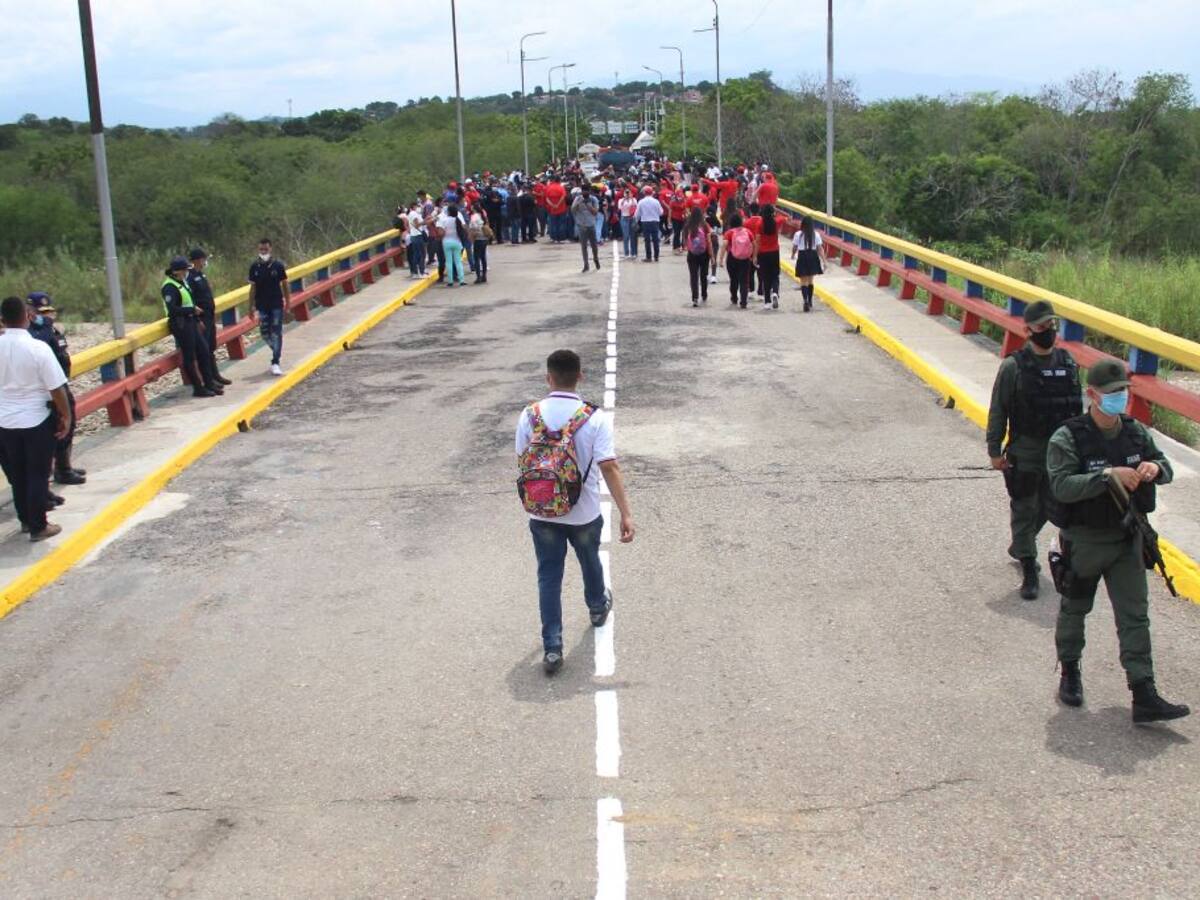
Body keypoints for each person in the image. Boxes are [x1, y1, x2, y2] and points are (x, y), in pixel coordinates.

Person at [1046, 359, 1188, 723]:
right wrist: (1108, 477)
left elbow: (1164, 465)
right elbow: (1061, 486)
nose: (1119, 398)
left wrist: (1155, 468)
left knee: (1134, 616)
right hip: (1086, 540)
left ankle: (1143, 691)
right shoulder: (1068, 437)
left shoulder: (1135, 432)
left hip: (1127, 538)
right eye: (1111, 393)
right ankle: (1070, 671)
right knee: (1075, 608)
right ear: (1092, 395)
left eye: (1123, 391)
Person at [515, 349, 635, 674]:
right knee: (589, 558)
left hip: (542, 513)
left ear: (548, 378)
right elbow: (609, 467)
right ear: (580, 375)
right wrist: (625, 513)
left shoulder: (529, 416)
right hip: (583, 512)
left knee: (548, 576)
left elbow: (523, 461)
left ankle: (553, 647)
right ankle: (597, 606)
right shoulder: (593, 418)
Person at [986, 301, 1083, 599]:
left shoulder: (1068, 363)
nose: (1048, 331)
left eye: (1052, 325)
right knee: (1024, 506)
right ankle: (1029, 565)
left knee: (1053, 505)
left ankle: (1020, 544)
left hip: (1061, 452)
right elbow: (999, 409)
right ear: (1027, 330)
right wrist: (994, 450)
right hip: (1026, 449)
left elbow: (1077, 410)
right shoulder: (1013, 367)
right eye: (1042, 326)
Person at [0, 296, 72, 541]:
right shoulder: (37, 348)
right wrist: (66, 416)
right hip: (36, 419)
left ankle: (25, 521)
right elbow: (57, 388)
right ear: (27, 317)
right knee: (38, 473)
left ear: (3, 319)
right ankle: (39, 526)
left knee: (18, 474)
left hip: (5, 422)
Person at [25, 293, 85, 485]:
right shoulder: (32, 332)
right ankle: (60, 471)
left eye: (49, 311)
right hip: (46, 388)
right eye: (41, 312)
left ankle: (64, 466)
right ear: (29, 311)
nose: (47, 315)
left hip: (60, 382)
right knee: (56, 428)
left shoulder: (49, 328)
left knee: (69, 423)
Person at [163, 256, 221, 397]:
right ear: (176, 271)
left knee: (204, 350)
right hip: (181, 324)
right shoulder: (169, 287)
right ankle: (198, 388)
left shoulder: (182, 282)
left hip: (191, 321)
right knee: (189, 356)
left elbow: (189, 301)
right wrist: (192, 310)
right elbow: (172, 309)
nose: (186, 272)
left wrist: (196, 318)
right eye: (184, 270)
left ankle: (209, 383)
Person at [186, 248, 232, 388]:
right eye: (203, 259)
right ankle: (208, 379)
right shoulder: (190, 277)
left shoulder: (201, 274)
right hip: (201, 317)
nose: (204, 261)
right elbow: (191, 299)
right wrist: (198, 319)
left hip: (209, 315)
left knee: (211, 346)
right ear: (196, 260)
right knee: (204, 349)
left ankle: (215, 375)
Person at [248, 238, 291, 376]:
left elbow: (285, 285)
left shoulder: (278, 266)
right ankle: (277, 349)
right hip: (261, 305)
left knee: (276, 332)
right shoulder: (254, 267)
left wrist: (288, 303)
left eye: (265, 249)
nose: (263, 252)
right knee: (264, 333)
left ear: (270, 249)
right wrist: (250, 306)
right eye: (261, 249)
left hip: (276, 304)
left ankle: (275, 361)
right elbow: (252, 288)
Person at [745, 203, 788, 309]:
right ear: (773, 213)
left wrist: (755, 256)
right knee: (775, 275)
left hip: (763, 253)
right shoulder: (776, 222)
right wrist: (777, 210)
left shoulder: (760, 224)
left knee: (765, 277)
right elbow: (788, 217)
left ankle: (767, 301)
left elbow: (757, 242)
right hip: (775, 252)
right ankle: (775, 292)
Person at [719, 212, 754, 308]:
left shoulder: (729, 233)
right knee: (744, 281)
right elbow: (754, 243)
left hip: (732, 258)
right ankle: (743, 301)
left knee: (733, 279)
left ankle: (734, 297)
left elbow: (724, 245)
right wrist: (753, 255)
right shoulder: (747, 232)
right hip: (745, 259)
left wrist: (721, 259)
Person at [790, 215, 824, 312]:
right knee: (810, 280)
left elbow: (795, 247)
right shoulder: (816, 234)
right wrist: (824, 261)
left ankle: (805, 300)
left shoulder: (798, 234)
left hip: (802, 256)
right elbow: (819, 248)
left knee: (803, 281)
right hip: (813, 256)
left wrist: (793, 254)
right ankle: (810, 300)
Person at [681, 207, 712, 307]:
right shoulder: (704, 225)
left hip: (692, 254)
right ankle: (704, 294)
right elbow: (709, 240)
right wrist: (712, 256)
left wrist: (690, 247)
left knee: (693, 276)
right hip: (704, 254)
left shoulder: (687, 226)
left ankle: (695, 298)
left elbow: (685, 241)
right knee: (704, 275)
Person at [438, 203, 468, 288]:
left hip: (446, 242)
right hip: (457, 241)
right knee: (458, 261)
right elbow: (463, 228)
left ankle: (450, 281)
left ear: (448, 211)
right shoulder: (458, 220)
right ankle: (461, 280)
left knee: (449, 262)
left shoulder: (444, 220)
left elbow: (440, 232)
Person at [572, 186, 601, 273]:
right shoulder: (578, 198)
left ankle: (596, 258)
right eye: (583, 191)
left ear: (589, 191)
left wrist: (588, 205)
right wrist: (578, 203)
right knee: (583, 246)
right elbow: (572, 210)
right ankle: (586, 264)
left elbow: (595, 212)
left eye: (586, 191)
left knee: (594, 245)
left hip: (591, 224)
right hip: (582, 225)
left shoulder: (593, 199)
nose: (585, 193)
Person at [635, 186, 664, 262]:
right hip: (655, 222)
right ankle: (656, 257)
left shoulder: (641, 202)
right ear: (652, 193)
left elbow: (637, 214)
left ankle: (649, 257)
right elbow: (661, 212)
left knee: (647, 240)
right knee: (655, 240)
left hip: (645, 222)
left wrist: (636, 222)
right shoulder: (656, 201)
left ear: (644, 193)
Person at [468, 203, 490, 284]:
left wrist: (472, 234)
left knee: (476, 258)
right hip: (484, 238)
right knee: (483, 257)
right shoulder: (482, 215)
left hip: (478, 239)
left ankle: (478, 277)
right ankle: (484, 275)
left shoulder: (474, 216)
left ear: (474, 208)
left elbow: (473, 226)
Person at [406, 202, 427, 277]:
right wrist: (424, 221)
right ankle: (421, 272)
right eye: (417, 206)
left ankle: (415, 271)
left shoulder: (411, 214)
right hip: (417, 235)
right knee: (421, 254)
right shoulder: (414, 214)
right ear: (414, 206)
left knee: (416, 254)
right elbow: (417, 225)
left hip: (413, 235)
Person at [545, 176, 568, 243]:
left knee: (553, 224)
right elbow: (563, 196)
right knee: (561, 224)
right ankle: (560, 238)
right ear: (559, 180)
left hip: (552, 209)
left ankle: (554, 238)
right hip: (561, 208)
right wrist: (558, 204)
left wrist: (552, 205)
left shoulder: (549, 187)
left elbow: (547, 198)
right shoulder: (561, 187)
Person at [618, 188, 638, 259]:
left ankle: (633, 253)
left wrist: (631, 198)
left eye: (628, 192)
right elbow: (620, 208)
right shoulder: (621, 200)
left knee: (632, 236)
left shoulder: (634, 199)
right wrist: (625, 199)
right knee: (626, 236)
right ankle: (626, 253)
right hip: (624, 218)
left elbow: (636, 206)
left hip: (632, 218)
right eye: (626, 193)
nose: (627, 194)